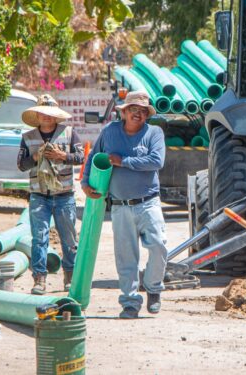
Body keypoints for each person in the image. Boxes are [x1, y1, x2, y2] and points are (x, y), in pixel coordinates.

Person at [81, 91, 168, 319]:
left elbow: (156, 161)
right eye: (133, 110)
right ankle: (130, 302)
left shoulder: (154, 133)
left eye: (142, 111)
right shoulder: (110, 132)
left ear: (147, 114)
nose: (137, 114)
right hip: (120, 205)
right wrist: (85, 182)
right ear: (124, 112)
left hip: (148, 202)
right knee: (126, 257)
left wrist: (124, 161)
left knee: (158, 246)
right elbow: (94, 156)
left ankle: (153, 288)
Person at [18, 94, 84, 295]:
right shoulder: (28, 138)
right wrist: (36, 157)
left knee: (69, 239)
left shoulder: (70, 133)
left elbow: (81, 157)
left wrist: (62, 156)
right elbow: (21, 165)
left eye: (50, 114)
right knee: (39, 238)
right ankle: (39, 279)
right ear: (37, 115)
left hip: (64, 195)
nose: (46, 117)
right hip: (39, 195)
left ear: (56, 116)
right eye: (43, 113)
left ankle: (70, 276)